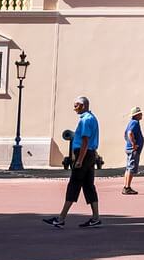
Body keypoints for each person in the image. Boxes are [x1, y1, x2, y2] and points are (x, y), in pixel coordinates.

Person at [44, 95, 102, 229]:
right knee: (88, 186)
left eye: (76, 105)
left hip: (84, 154)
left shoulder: (86, 120)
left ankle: (61, 218)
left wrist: (80, 160)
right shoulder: (91, 118)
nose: (74, 108)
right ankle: (95, 217)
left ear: (83, 106)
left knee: (74, 185)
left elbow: (85, 141)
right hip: (90, 154)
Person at [121, 106, 144, 194]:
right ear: (136, 115)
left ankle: (126, 186)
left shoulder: (132, 122)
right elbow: (129, 133)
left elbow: (126, 134)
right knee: (131, 168)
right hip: (133, 149)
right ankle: (127, 187)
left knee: (128, 168)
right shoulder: (135, 123)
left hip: (129, 148)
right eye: (140, 113)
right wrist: (133, 144)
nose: (142, 115)